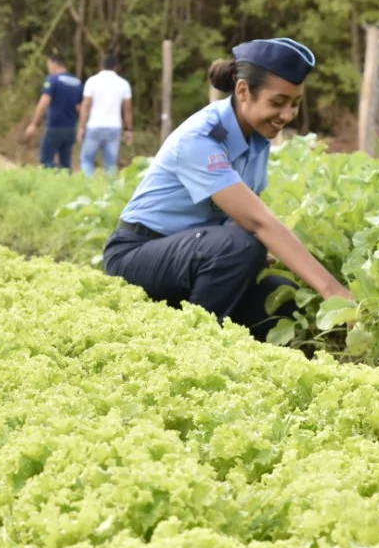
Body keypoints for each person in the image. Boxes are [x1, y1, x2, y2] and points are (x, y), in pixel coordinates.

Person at [102, 38, 352, 340]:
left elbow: (243, 217)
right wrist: (333, 290)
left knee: (279, 297)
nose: (286, 115)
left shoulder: (257, 136)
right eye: (277, 102)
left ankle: (206, 344)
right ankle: (190, 345)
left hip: (187, 261)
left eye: (295, 104)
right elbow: (258, 222)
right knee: (241, 245)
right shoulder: (202, 138)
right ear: (243, 91)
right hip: (137, 256)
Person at [24, 52, 83, 170]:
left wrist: (34, 124)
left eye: (48, 66)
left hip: (55, 126)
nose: (49, 69)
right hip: (71, 128)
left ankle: (56, 175)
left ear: (53, 64)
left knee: (45, 161)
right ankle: (67, 182)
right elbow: (80, 107)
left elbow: (44, 102)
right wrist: (81, 127)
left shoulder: (52, 80)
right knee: (66, 163)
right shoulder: (77, 83)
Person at [77, 53, 133, 177]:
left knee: (87, 160)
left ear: (101, 66)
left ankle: (88, 186)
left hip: (94, 126)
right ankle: (111, 190)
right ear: (116, 67)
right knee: (111, 164)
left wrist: (81, 127)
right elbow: (127, 109)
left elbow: (86, 106)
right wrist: (129, 130)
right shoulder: (123, 84)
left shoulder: (92, 81)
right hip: (114, 127)